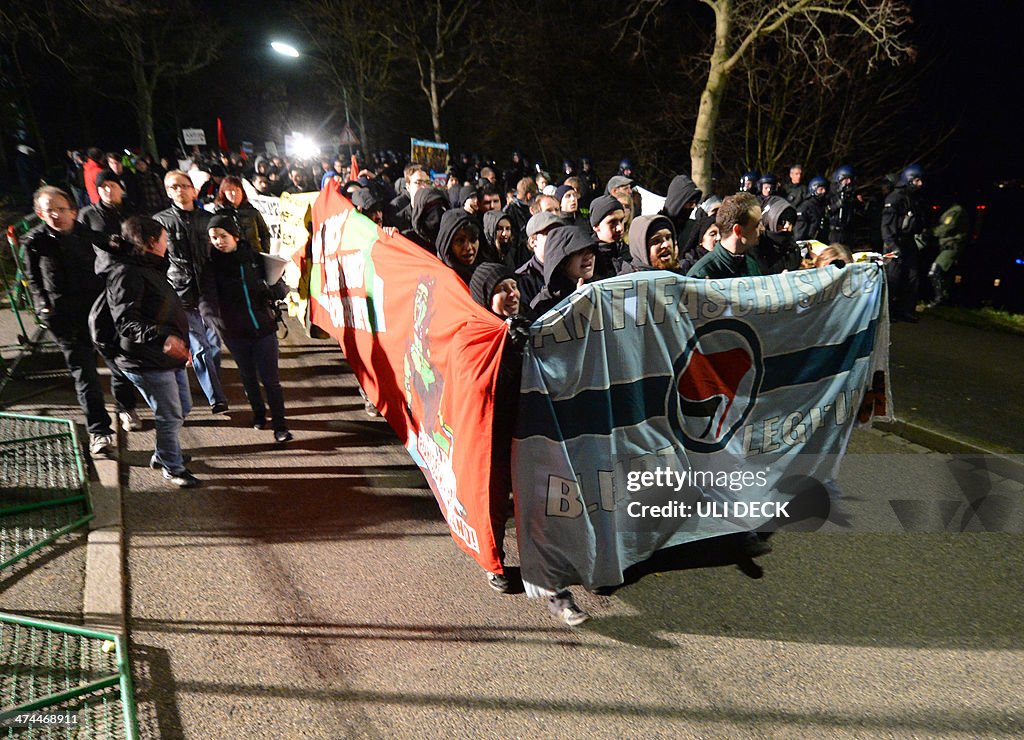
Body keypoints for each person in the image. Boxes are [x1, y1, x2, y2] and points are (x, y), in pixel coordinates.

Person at [24, 186, 117, 458]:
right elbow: (33, 280)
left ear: (73, 211)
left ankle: (127, 407)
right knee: (85, 374)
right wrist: (44, 307)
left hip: (98, 311)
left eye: (61, 209)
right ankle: (99, 431)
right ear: (40, 213)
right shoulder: (34, 241)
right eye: (48, 210)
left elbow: (110, 243)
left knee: (120, 363)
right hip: (64, 318)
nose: (55, 214)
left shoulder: (82, 231)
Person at [104, 217, 197, 487]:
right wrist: (162, 338)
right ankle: (172, 467)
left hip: (166, 356)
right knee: (169, 415)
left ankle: (163, 453)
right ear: (152, 242)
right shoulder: (126, 273)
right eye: (165, 238)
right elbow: (126, 321)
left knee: (183, 408)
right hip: (145, 360)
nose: (168, 243)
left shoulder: (150, 266)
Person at [206, 214, 293, 443]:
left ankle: (280, 425)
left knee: (271, 379)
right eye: (214, 237)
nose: (219, 241)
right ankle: (258, 413)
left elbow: (279, 285)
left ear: (235, 236)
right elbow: (207, 299)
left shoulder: (254, 257)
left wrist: (275, 291)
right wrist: (216, 320)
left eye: (223, 236)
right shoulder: (210, 265)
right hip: (235, 334)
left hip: (264, 329)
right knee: (248, 376)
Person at [154, 170, 229, 413]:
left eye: (184, 185)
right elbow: (156, 258)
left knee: (214, 344)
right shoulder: (161, 221)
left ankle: (212, 381)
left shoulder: (208, 219)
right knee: (200, 347)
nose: (180, 190)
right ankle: (216, 397)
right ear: (168, 191)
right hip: (180, 291)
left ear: (193, 189)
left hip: (210, 291)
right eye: (175, 187)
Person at [78, 172, 143, 431]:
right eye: (102, 186)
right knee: (114, 348)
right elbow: (82, 249)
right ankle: (126, 408)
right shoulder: (87, 215)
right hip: (104, 285)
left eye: (112, 185)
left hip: (135, 282)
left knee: (136, 343)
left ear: (120, 188)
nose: (107, 190)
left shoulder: (133, 211)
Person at [881, 163, 926, 322]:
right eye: (917, 180)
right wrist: (892, 246)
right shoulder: (895, 198)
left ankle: (905, 310)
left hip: (908, 242)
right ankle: (888, 312)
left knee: (912, 277)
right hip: (895, 242)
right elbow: (886, 225)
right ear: (909, 179)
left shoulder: (913, 199)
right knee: (893, 278)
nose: (920, 184)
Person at [687, 192, 764, 279]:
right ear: (737, 230)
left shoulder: (751, 265)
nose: (762, 229)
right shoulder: (700, 275)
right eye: (756, 225)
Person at [530, 225, 599, 316]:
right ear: (562, 261)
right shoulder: (543, 304)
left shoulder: (599, 289)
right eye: (579, 252)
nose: (589, 256)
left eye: (591, 250)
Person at [515, 211, 563, 313]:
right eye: (549, 234)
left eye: (559, 233)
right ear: (532, 242)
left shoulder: (569, 267)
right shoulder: (524, 278)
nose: (556, 238)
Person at [214, 175, 272, 254]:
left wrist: (264, 252)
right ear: (224, 193)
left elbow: (265, 234)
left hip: (254, 255)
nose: (234, 193)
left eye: (237, 190)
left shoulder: (252, 211)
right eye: (230, 190)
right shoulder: (219, 213)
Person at [928, 202, 968, 308]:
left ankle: (940, 299)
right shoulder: (951, 210)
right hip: (947, 245)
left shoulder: (955, 211)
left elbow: (948, 226)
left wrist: (932, 232)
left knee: (935, 271)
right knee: (945, 274)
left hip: (951, 246)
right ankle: (944, 299)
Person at [435, 209, 486, 284]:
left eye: (473, 239)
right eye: (460, 241)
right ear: (447, 244)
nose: (468, 247)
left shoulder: (487, 273)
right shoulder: (439, 280)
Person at [588, 194, 628, 278]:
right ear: (596, 226)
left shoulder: (630, 253)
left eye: (621, 220)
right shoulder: (588, 259)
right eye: (612, 222)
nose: (620, 228)